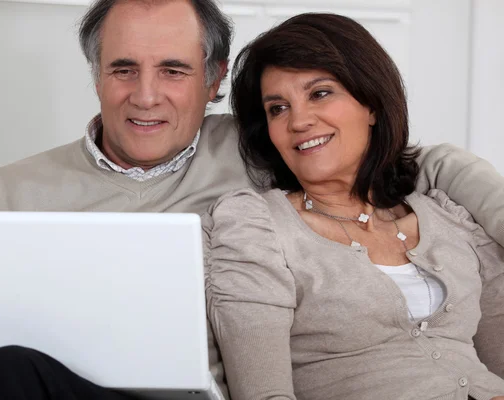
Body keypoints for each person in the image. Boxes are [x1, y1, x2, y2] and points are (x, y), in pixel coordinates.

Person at [0, 1, 504, 399]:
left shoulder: (266, 145)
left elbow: (405, 162)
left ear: (215, 77)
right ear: (95, 73)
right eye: (123, 69)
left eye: (173, 70)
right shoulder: (15, 190)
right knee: (9, 371)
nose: (145, 97)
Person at [202, 12, 504, 400]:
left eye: (320, 93)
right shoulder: (255, 226)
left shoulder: (450, 214)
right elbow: (263, 393)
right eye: (278, 108)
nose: (299, 121)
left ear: (371, 105)